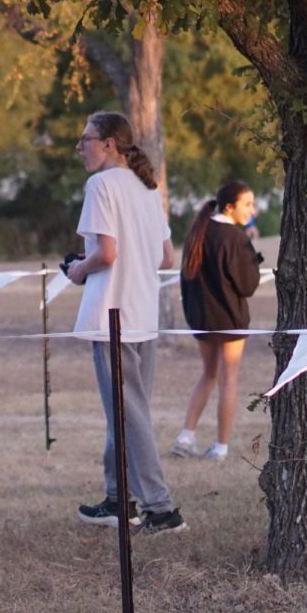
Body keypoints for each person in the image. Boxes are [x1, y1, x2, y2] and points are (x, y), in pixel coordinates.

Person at [65, 111, 188, 536]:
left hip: (111, 316)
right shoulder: (147, 188)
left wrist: (79, 270)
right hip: (143, 314)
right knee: (129, 412)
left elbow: (106, 255)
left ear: (110, 144)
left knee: (128, 414)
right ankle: (119, 499)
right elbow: (166, 257)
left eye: (86, 139)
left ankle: (161, 508)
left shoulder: (100, 185)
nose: (80, 146)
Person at [172, 181, 263, 461]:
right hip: (230, 319)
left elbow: (185, 280)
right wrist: (253, 259)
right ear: (229, 206)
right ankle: (221, 446)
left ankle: (185, 437)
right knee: (228, 379)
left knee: (209, 375)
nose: (252, 210)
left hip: (201, 318)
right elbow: (247, 285)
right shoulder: (235, 238)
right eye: (247, 204)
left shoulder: (198, 232)